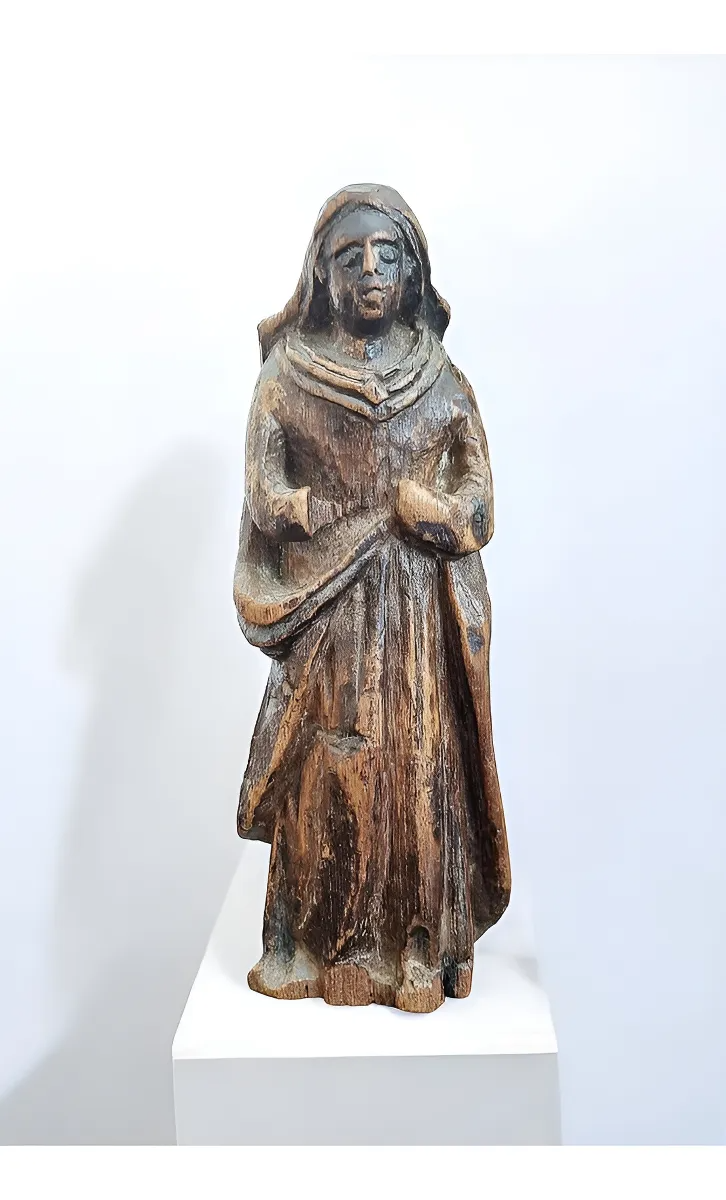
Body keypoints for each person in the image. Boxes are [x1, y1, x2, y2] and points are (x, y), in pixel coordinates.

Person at [234, 183, 510, 1012]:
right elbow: (262, 489)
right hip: (331, 610)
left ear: (414, 272)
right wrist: (297, 508)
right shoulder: (288, 378)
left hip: (417, 616)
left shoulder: (441, 381)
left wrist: (437, 513)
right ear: (320, 275)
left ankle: (421, 942)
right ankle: (320, 942)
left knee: (417, 763)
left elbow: (481, 501)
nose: (370, 270)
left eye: (387, 254)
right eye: (349, 256)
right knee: (330, 763)